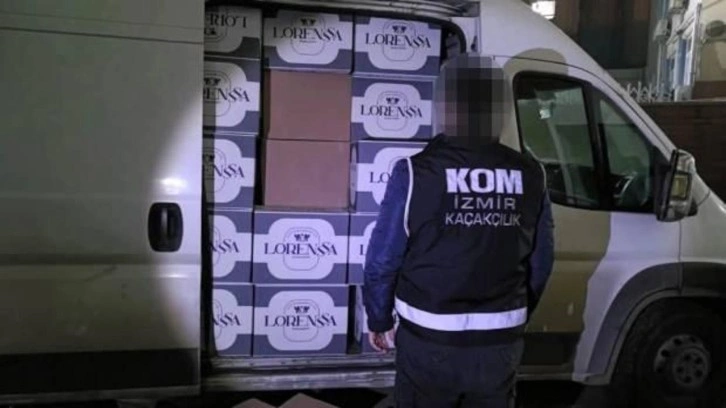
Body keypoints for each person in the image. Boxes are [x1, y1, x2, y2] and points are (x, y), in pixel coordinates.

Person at [362, 53, 555, 408]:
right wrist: (514, 314)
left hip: (429, 340)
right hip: (500, 343)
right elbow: (542, 261)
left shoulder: (415, 172)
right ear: (499, 111)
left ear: (445, 109)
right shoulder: (531, 173)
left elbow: (382, 260)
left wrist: (379, 317)